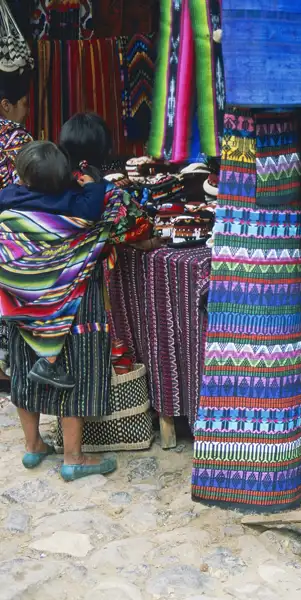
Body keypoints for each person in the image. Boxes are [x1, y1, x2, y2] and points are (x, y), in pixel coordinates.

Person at [3, 113, 149, 482]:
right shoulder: (96, 198)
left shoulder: (8, 201)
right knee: (78, 370)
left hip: (24, 303)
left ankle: (33, 445)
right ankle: (73, 457)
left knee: (23, 367)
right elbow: (137, 229)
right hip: (76, 300)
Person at [0, 141, 108, 389]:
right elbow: (92, 212)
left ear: (24, 176)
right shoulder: (69, 200)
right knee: (56, 296)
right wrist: (94, 186)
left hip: (14, 275)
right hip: (50, 274)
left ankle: (45, 358)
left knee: (40, 299)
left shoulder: (9, 195)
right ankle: (49, 359)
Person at [0, 69, 33, 381]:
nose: (26, 111)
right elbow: (25, 187)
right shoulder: (16, 137)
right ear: (5, 105)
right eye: (23, 104)